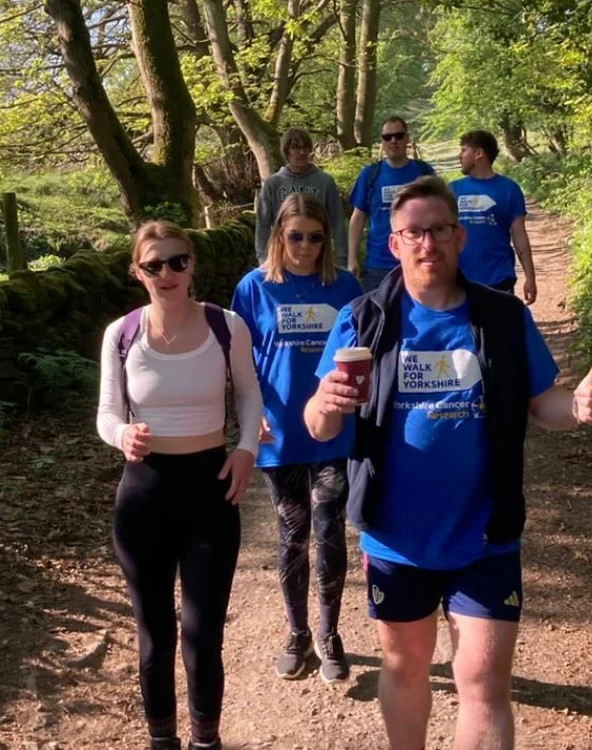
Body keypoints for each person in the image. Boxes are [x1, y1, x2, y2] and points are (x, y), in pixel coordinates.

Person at [303, 177, 592, 750]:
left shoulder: (501, 317)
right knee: (405, 669)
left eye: (439, 229)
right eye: (413, 232)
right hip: (396, 539)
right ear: (393, 244)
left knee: (485, 682)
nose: (428, 243)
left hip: (485, 534)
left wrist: (577, 407)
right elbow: (318, 425)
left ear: (458, 236)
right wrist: (323, 404)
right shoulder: (363, 318)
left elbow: (543, 405)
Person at [96, 220, 264, 750]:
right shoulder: (122, 334)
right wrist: (123, 433)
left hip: (210, 492)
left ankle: (205, 740)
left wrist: (246, 450)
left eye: (178, 261)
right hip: (144, 496)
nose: (167, 273)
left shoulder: (226, 327)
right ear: (137, 272)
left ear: (192, 264)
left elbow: (249, 397)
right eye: (154, 265)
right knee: (154, 637)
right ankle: (161, 740)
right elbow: (105, 412)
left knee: (202, 634)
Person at [231, 194, 364, 683]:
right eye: (295, 236)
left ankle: (330, 634)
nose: (305, 247)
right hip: (279, 430)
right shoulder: (253, 288)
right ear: (278, 236)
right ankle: (297, 633)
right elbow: (238, 361)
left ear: (326, 239)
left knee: (329, 528)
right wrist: (249, 415)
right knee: (293, 532)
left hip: (333, 430)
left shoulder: (344, 287)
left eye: (315, 237)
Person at [347, 116, 436, 292]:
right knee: (378, 317)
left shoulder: (424, 172)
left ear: (407, 139)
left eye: (398, 136)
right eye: (387, 137)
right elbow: (358, 217)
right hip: (377, 265)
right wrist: (352, 258)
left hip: (418, 260)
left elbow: (438, 215)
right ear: (381, 141)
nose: (393, 141)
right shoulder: (370, 174)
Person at [450, 130, 537, 303]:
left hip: (499, 277)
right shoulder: (451, 190)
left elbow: (520, 236)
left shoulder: (509, 189)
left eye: (463, 150)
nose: (459, 156)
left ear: (479, 153)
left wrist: (530, 278)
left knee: (500, 330)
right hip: (460, 280)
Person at [255, 128, 348, 267]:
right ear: (286, 151)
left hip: (317, 254)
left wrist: (342, 258)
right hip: (282, 255)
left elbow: (337, 221)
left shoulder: (325, 182)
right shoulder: (273, 184)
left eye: (305, 148)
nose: (302, 152)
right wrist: (263, 258)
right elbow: (262, 224)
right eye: (295, 147)